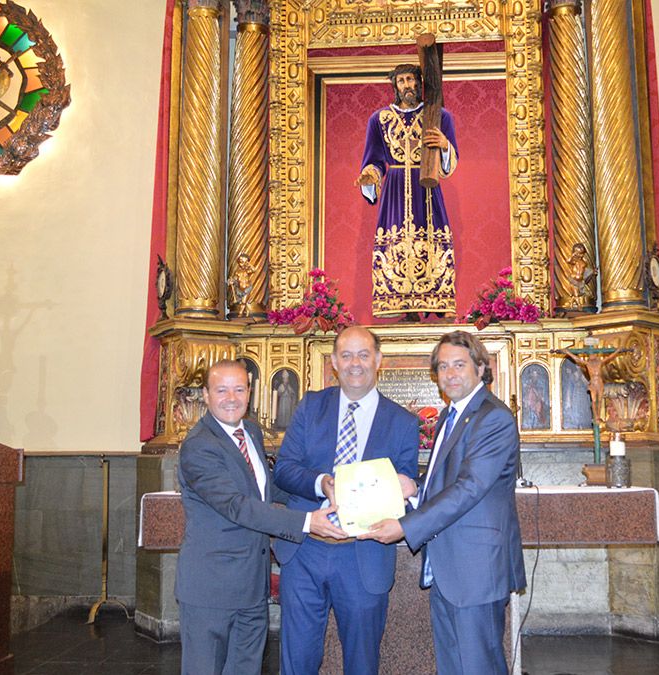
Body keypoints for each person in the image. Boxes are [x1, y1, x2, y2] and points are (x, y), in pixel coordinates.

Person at [361, 330, 526, 675]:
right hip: (450, 568)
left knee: (478, 665)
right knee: (453, 666)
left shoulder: (492, 418)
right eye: (443, 367)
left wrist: (405, 527)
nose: (450, 374)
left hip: (476, 569)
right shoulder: (451, 417)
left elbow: (469, 488)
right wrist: (414, 488)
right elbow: (446, 482)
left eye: (459, 365)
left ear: (481, 368)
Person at [175, 360, 347, 675]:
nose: (231, 398)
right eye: (221, 389)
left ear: (250, 392)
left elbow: (265, 487)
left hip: (252, 586)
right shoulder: (199, 446)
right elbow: (237, 505)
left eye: (239, 389)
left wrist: (322, 487)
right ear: (206, 394)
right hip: (210, 589)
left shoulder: (249, 430)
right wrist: (308, 522)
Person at [272, 326, 421, 673]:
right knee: (297, 662)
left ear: (379, 360)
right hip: (306, 551)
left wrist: (404, 488)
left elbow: (402, 489)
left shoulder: (402, 422)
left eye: (364, 354)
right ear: (335, 362)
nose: (355, 363)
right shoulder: (311, 406)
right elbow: (284, 470)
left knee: (362, 662)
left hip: (362, 554)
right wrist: (322, 482)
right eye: (347, 355)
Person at [357, 63, 458, 319]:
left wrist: (444, 145)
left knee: (431, 241)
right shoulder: (379, 119)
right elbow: (375, 159)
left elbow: (450, 161)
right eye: (401, 81)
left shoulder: (438, 115)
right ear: (395, 86)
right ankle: (402, 303)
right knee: (396, 243)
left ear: (420, 83)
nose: (407, 86)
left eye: (411, 80)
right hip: (395, 190)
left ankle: (433, 301)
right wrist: (370, 175)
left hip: (427, 187)